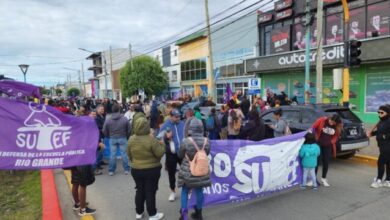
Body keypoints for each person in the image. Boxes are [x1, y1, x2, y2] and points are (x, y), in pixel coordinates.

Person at [127, 117, 165, 220]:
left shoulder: (131, 139)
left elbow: (129, 154)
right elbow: (159, 153)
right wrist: (162, 144)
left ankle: (139, 212)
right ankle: (152, 214)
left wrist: (134, 162)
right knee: (150, 191)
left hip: (136, 169)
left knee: (139, 190)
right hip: (151, 169)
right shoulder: (151, 139)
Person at [177, 118, 211, 220]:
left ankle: (184, 215)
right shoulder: (206, 141)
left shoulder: (185, 141)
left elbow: (180, 155)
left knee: (184, 191)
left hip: (188, 171)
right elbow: (207, 154)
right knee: (199, 190)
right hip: (201, 170)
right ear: (201, 128)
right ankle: (199, 214)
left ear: (190, 128)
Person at [71, 112, 97, 216]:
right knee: (83, 185)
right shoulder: (82, 134)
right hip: (82, 160)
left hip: (73, 160)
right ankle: (83, 209)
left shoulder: (71, 132)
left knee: (75, 182)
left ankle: (77, 203)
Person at [158, 109, 185, 202]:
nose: (178, 118)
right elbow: (159, 139)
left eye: (179, 116)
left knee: (186, 171)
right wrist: (166, 137)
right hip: (171, 152)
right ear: (171, 117)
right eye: (176, 117)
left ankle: (188, 190)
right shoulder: (165, 125)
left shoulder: (182, 123)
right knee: (171, 173)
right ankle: (173, 192)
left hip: (182, 151)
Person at [312, 114, 342, 187]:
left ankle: (324, 178)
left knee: (326, 162)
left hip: (327, 146)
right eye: (331, 121)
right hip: (318, 144)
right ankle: (313, 179)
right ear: (330, 118)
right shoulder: (322, 120)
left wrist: (331, 142)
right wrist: (314, 138)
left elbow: (336, 136)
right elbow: (313, 128)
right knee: (316, 161)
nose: (331, 123)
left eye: (333, 122)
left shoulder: (337, 126)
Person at [103, 104, 131, 176]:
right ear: (119, 110)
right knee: (124, 154)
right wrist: (127, 136)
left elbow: (104, 130)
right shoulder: (124, 119)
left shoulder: (108, 120)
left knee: (112, 155)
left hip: (112, 138)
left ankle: (111, 170)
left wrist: (108, 135)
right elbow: (129, 129)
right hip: (122, 137)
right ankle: (126, 169)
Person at [369, 105, 390, 188]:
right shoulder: (382, 120)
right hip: (382, 145)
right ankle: (388, 180)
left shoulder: (389, 121)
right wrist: (372, 134)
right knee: (388, 163)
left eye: (382, 112)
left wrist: (383, 137)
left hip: (387, 146)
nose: (379, 113)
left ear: (387, 113)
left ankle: (378, 180)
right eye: (378, 112)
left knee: (380, 162)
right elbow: (379, 131)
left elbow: (385, 134)